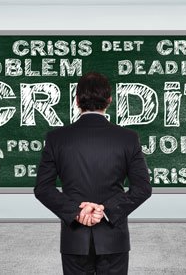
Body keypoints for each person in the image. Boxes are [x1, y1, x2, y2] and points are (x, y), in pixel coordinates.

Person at [34, 71, 153, 275]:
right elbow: (142, 188)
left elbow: (43, 188)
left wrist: (77, 212)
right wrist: (106, 211)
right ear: (109, 100)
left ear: (77, 100)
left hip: (75, 239)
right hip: (114, 238)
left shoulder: (56, 138)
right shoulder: (128, 138)